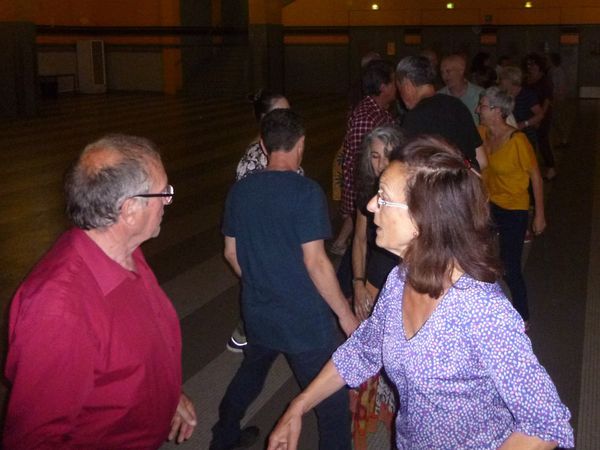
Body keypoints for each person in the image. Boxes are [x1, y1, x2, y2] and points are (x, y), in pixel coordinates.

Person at [267, 136, 574, 450]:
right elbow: (362, 351)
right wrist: (299, 405)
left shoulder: (481, 310)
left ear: (422, 218)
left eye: (383, 196)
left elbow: (545, 424)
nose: (371, 205)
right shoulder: (401, 279)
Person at [3, 134, 197, 449]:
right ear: (130, 210)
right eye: (164, 192)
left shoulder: (125, 252)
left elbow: (133, 351)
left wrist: (169, 393)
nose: (167, 201)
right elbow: (34, 440)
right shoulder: (59, 311)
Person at [212, 109, 359, 450]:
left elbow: (231, 254)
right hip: (303, 321)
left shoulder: (240, 192)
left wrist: (264, 281)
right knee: (332, 406)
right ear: (301, 144)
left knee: (250, 376)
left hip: (259, 311)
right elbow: (317, 263)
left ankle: (222, 438)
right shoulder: (306, 192)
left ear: (263, 145)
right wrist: (345, 315)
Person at [228, 89, 296, 353]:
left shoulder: (280, 150)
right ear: (265, 119)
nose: (287, 118)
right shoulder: (255, 159)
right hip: (265, 244)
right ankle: (245, 333)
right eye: (281, 113)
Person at [350, 126, 403, 450]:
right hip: (372, 286)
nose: (380, 163)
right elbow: (359, 242)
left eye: (387, 155)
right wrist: (357, 285)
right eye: (374, 155)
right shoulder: (366, 195)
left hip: (404, 290)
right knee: (367, 357)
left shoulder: (411, 194)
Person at [476, 87, 547, 325]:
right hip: (489, 205)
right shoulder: (482, 133)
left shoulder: (517, 140)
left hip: (514, 208)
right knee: (478, 258)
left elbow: (536, 176)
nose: (478, 109)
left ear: (497, 111)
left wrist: (539, 215)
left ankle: (522, 316)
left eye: (483, 106)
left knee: (510, 265)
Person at [334, 59, 396, 256]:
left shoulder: (379, 111)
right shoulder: (366, 116)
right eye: (393, 82)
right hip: (365, 185)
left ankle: (342, 244)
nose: (397, 87)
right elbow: (359, 160)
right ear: (383, 87)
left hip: (372, 184)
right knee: (360, 225)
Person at [395, 55, 486, 169]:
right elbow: (482, 160)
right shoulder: (457, 105)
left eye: (399, 89)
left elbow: (409, 168)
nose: (399, 96)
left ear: (407, 85)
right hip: (468, 183)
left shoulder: (413, 118)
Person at [525, 53, 557, 180]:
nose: (530, 67)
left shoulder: (544, 80)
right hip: (528, 113)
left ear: (539, 65)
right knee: (528, 141)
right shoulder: (527, 79)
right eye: (528, 64)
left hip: (543, 113)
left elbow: (547, 100)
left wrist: (541, 116)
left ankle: (551, 168)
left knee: (543, 141)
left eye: (533, 64)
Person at [498, 65, 544, 151]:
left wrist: (524, 124)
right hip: (508, 136)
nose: (500, 82)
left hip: (526, 135)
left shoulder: (527, 94)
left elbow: (540, 115)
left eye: (502, 79)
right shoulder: (503, 95)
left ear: (510, 80)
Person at [438, 53, 485, 124]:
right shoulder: (439, 97)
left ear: (461, 70)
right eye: (442, 72)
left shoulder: (479, 94)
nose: (444, 76)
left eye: (448, 71)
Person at [548, 52, 570, 148]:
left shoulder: (558, 72)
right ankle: (560, 138)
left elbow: (559, 87)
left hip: (557, 98)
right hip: (555, 98)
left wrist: (554, 99)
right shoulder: (553, 70)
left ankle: (563, 139)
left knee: (556, 119)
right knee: (554, 119)